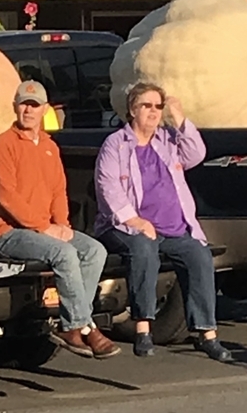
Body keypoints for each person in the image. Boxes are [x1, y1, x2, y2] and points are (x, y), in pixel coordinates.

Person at [94, 82, 231, 361]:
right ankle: (143, 328)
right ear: (132, 110)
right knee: (143, 249)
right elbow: (108, 188)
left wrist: (178, 116)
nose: (154, 111)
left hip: (173, 228)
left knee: (199, 255)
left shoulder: (167, 140)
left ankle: (207, 334)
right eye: (147, 105)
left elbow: (196, 154)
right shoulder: (116, 144)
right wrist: (136, 221)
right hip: (125, 226)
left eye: (158, 106)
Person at [0, 80, 121, 359]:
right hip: (11, 233)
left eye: (34, 105)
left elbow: (58, 190)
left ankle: (76, 322)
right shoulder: (3, 144)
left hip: (46, 229)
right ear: (14, 107)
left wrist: (62, 225)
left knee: (95, 251)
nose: (28, 110)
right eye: (24, 104)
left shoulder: (50, 146)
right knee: (64, 253)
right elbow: (7, 197)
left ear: (44, 109)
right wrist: (44, 227)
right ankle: (79, 326)